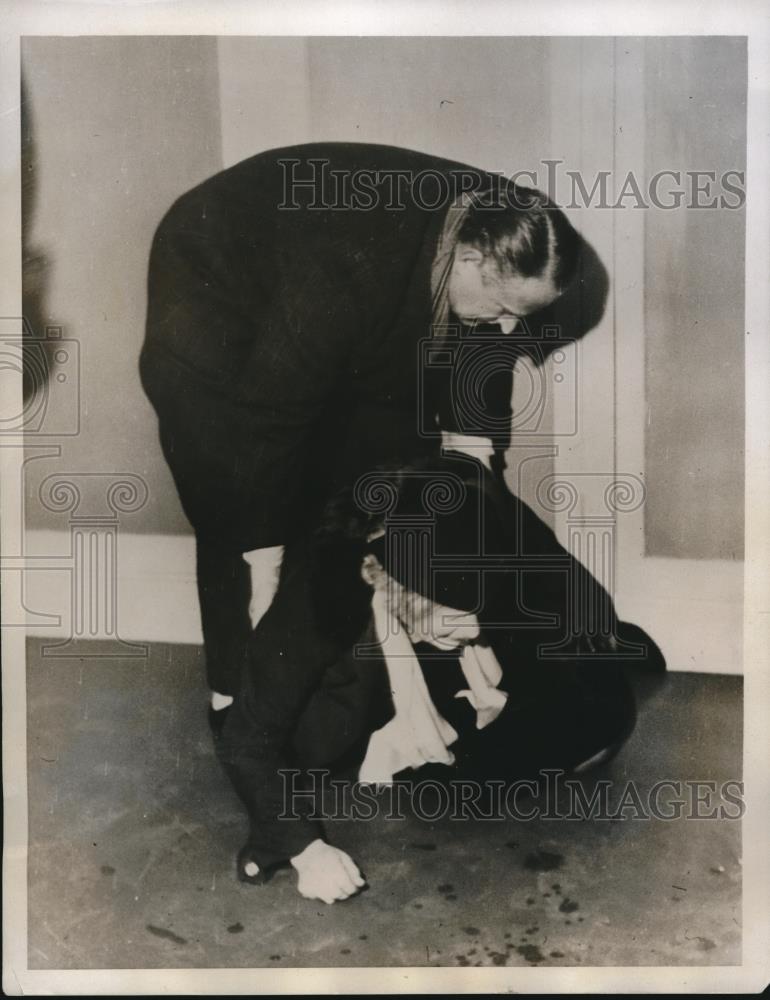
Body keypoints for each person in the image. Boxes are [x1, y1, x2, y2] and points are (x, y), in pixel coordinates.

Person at [139, 142, 604, 720]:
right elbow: (266, 423)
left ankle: (374, 660)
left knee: (391, 473)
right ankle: (239, 694)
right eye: (505, 307)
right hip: (216, 274)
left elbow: (477, 368)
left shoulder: (505, 223)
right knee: (235, 489)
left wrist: (471, 503)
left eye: (523, 318)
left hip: (333, 278)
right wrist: (263, 568)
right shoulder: (346, 271)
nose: (510, 330)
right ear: (469, 260)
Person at [216, 451, 665, 905]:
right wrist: (305, 852)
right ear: (398, 584)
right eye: (455, 616)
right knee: (435, 780)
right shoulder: (318, 597)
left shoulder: (484, 510)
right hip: (357, 684)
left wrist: (590, 637)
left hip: (441, 667)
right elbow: (245, 739)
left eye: (480, 613)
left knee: (598, 710)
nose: (472, 629)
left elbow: (576, 598)